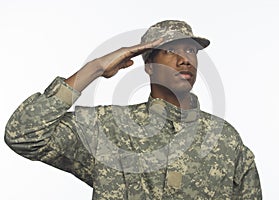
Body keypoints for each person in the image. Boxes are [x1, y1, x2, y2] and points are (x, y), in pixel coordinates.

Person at [4, 20, 262, 199]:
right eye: (170, 50)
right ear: (148, 65)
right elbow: (24, 135)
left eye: (190, 50)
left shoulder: (226, 140)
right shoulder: (107, 127)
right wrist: (95, 68)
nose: (185, 59)